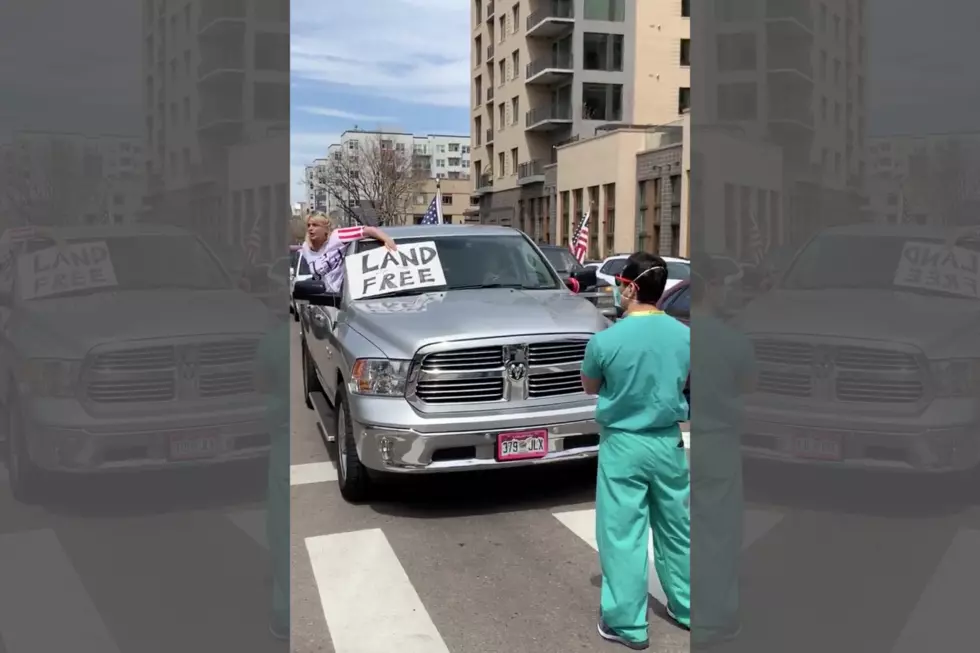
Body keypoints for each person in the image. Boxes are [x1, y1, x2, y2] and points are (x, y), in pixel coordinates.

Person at [581, 251, 691, 650]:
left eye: (620, 285)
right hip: (667, 441)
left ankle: (627, 623)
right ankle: (689, 607)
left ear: (629, 286)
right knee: (677, 528)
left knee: (623, 534)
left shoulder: (605, 340)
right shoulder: (685, 335)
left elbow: (590, 386)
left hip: (623, 444)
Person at [688, 264, 756, 648]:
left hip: (684, 439)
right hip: (720, 442)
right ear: (710, 290)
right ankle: (716, 619)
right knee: (720, 533)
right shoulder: (734, 341)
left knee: (686, 529)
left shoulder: (681, 339)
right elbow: (750, 386)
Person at [300, 214, 396, 292]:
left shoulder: (337, 237)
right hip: (321, 300)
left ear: (325, 229)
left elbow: (367, 230)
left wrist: (387, 239)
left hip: (340, 298)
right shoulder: (306, 248)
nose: (310, 228)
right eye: (308, 225)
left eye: (315, 225)